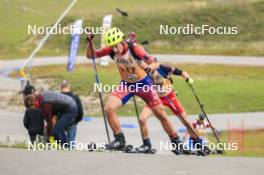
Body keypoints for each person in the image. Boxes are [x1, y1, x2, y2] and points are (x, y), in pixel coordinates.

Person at [86, 27, 185, 154]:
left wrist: (147, 67)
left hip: (144, 84)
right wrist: (90, 41)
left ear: (122, 41)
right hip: (127, 84)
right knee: (109, 108)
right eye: (112, 47)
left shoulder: (134, 48)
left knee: (161, 114)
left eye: (116, 46)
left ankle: (176, 142)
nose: (115, 50)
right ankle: (119, 140)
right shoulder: (111, 49)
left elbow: (155, 63)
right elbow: (91, 55)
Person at [137, 62, 210, 154]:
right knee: (142, 119)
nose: (142, 66)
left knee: (186, 121)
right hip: (155, 98)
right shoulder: (142, 72)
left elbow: (181, 72)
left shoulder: (163, 68)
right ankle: (147, 145)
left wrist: (188, 79)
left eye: (142, 63)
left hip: (169, 97)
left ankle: (198, 143)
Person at [60, 80, 83, 147]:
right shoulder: (75, 97)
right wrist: (77, 120)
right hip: (72, 122)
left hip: (61, 122)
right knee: (71, 144)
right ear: (69, 86)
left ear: (61, 87)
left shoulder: (58, 97)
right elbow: (80, 111)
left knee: (62, 144)